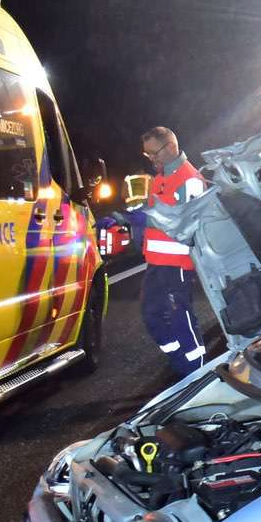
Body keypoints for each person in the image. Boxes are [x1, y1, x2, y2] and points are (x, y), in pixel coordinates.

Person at [107, 126, 208, 379]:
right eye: (147, 155)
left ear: (171, 146)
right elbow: (155, 213)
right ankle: (178, 360)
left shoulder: (190, 179)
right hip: (156, 263)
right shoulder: (161, 177)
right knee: (151, 313)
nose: (152, 159)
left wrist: (145, 217)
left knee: (180, 316)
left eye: (154, 153)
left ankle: (198, 369)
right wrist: (132, 217)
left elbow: (188, 224)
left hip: (178, 264)